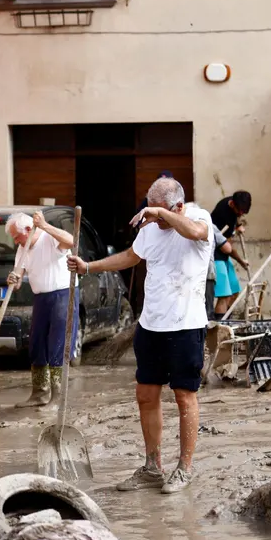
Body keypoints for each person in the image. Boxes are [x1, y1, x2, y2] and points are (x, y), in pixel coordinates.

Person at [67, 176, 214, 494]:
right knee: (146, 395)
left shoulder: (199, 218)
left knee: (184, 397)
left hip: (186, 325)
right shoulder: (150, 229)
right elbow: (131, 257)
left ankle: (184, 468)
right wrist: (88, 267)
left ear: (177, 207)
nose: (151, 218)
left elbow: (197, 232)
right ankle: (152, 466)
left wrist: (162, 216)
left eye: (158, 213)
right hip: (150, 326)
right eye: (150, 211)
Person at [6, 211, 79, 408]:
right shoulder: (23, 248)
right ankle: (40, 392)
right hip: (41, 298)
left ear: (29, 230)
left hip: (63, 295)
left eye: (17, 237)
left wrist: (45, 225)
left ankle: (57, 396)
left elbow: (71, 241)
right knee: (37, 343)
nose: (16, 242)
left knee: (57, 344)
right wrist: (13, 278)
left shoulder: (49, 238)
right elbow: (18, 276)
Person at [209, 191, 252, 319]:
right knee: (224, 296)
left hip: (224, 256)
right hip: (216, 255)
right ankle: (221, 329)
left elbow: (236, 217)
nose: (240, 214)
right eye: (239, 212)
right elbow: (227, 248)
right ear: (232, 204)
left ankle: (227, 319)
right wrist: (241, 261)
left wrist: (238, 225)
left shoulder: (233, 203)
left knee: (234, 292)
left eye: (243, 212)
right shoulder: (223, 215)